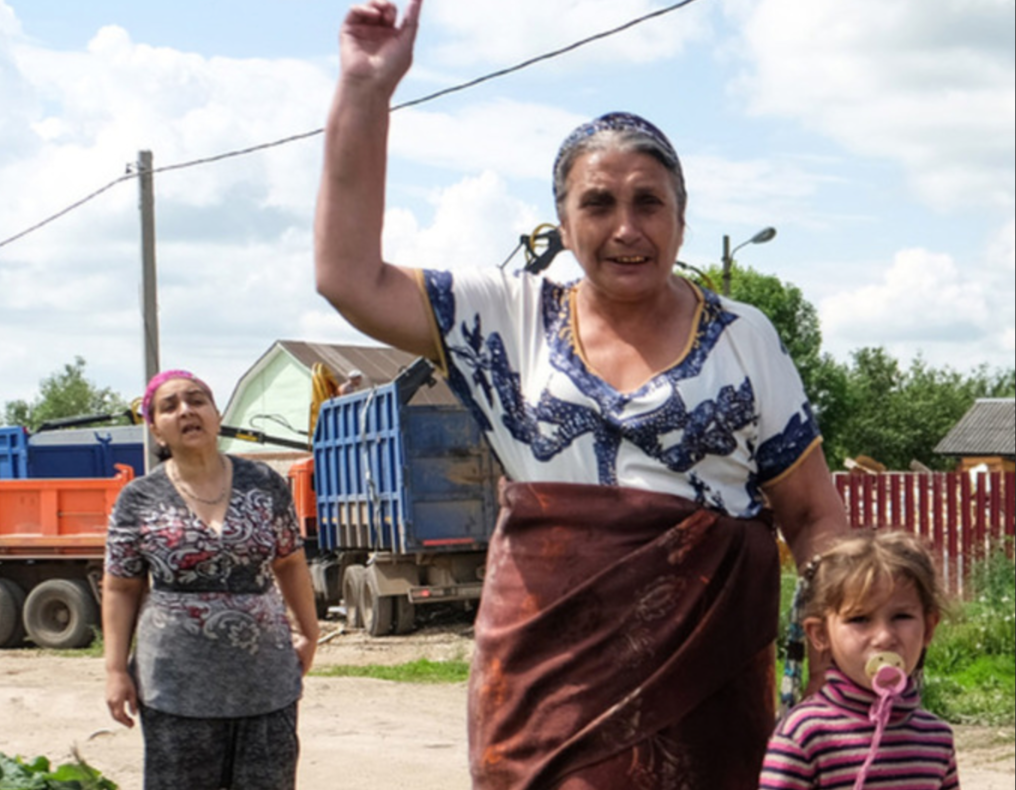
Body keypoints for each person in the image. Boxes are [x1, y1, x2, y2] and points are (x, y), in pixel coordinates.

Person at [314, 2, 849, 787]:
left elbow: (811, 515)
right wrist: (364, 90)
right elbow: (347, 276)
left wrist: (850, 649)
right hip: (546, 697)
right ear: (563, 225)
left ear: (682, 218)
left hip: (710, 692)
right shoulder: (505, 317)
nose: (626, 226)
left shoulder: (745, 338)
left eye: (648, 202)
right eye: (598, 204)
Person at [102, 369, 320, 790]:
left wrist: (309, 632)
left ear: (217, 416)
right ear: (156, 430)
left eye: (197, 399)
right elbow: (121, 586)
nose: (187, 410)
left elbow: (290, 562)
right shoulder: (139, 498)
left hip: (266, 681)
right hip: (173, 686)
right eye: (170, 406)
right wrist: (115, 670)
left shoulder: (264, 484)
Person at [760, 530, 959, 789]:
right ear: (821, 635)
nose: (884, 637)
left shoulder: (935, 738)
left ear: (929, 628)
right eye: (859, 619)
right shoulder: (804, 735)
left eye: (901, 617)